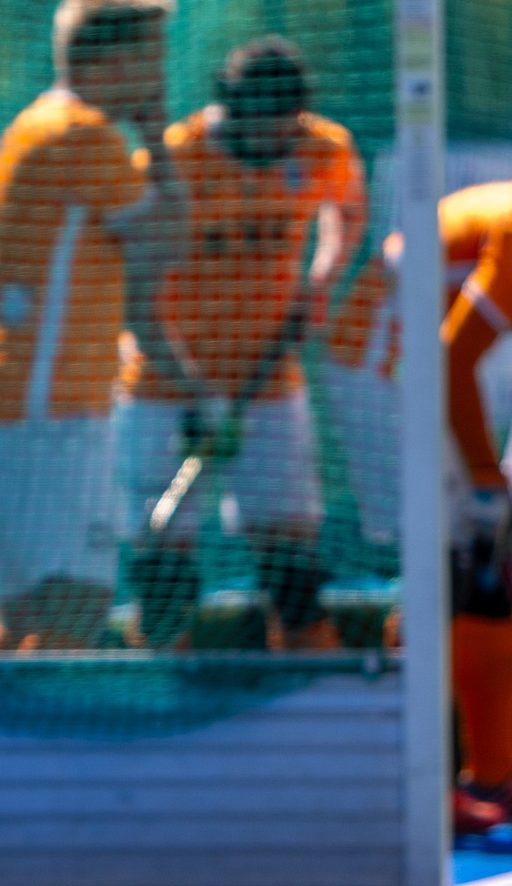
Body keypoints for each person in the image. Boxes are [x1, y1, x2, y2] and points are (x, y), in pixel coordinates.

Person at [322, 178, 512, 829]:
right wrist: (482, 472)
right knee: (437, 570)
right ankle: (406, 776)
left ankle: (494, 773)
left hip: (420, 364)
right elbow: (448, 355)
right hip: (381, 361)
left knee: (481, 570)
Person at [119, 37, 363, 649]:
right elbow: (132, 276)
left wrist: (322, 278)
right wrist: (190, 385)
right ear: (232, 106)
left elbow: (347, 209)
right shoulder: (177, 158)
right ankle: (157, 706)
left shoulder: (321, 147)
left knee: (291, 568)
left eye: (287, 124)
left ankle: (311, 703)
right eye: (262, 123)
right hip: (164, 385)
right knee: (165, 569)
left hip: (268, 379)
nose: (275, 140)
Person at [0, 0, 169, 650]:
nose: (159, 73)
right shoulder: (84, 135)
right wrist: (158, 136)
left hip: (17, 409)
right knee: (76, 607)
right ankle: (39, 758)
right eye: (151, 55)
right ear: (113, 62)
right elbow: (170, 239)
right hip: (53, 417)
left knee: (22, 616)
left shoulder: (38, 124)